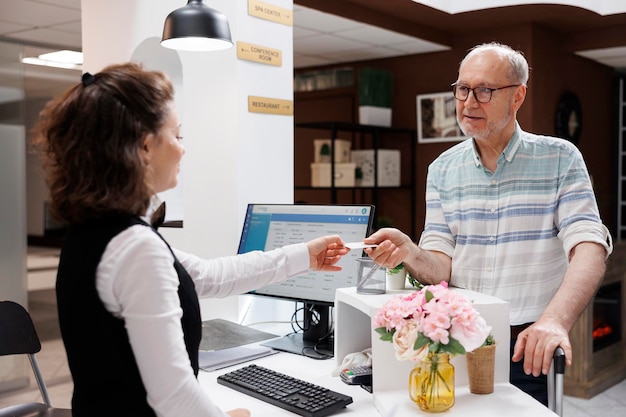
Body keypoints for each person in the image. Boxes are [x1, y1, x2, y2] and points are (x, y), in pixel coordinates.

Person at [30, 62, 350, 417]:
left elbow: (209, 276)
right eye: (177, 135)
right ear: (145, 146)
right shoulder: (135, 248)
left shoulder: (94, 232)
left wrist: (305, 255)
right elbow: (175, 397)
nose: (183, 150)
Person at [363, 42, 613, 406]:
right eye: (462, 89)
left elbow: (589, 246)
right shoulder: (442, 170)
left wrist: (555, 321)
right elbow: (440, 265)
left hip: (527, 345)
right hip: (457, 340)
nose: (468, 103)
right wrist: (410, 252)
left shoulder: (560, 158)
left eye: (484, 91)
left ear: (518, 96)